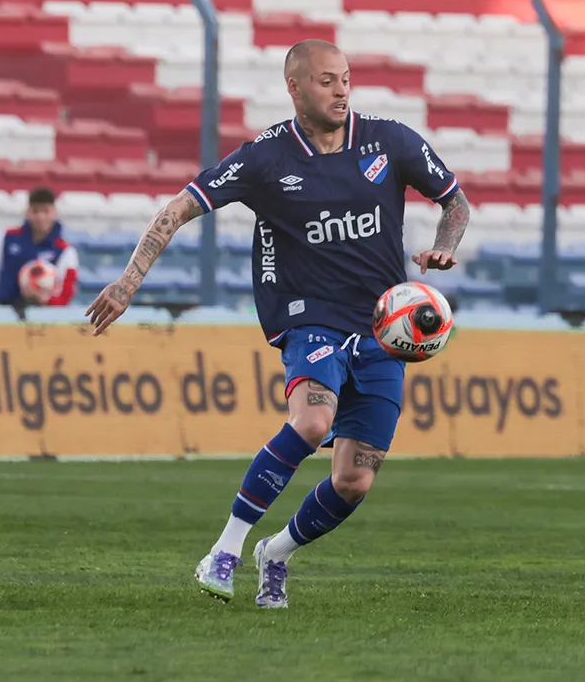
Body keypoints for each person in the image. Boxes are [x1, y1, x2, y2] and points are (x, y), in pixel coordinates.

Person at [85, 39, 470, 610]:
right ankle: (225, 550)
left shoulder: (390, 141)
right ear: (295, 87)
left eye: (345, 79)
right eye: (326, 81)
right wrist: (128, 281)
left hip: (381, 329)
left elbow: (456, 202)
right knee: (312, 421)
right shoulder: (266, 158)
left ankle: (277, 553)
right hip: (308, 318)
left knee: (354, 481)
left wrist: (444, 247)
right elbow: (179, 208)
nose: (341, 90)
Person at [0, 186, 78, 307]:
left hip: (42, 314)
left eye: (46, 211)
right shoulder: (6, 237)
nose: (40, 217)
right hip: (3, 310)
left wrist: (44, 300)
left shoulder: (65, 250)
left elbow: (66, 295)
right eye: (35, 211)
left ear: (54, 212)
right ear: (27, 212)